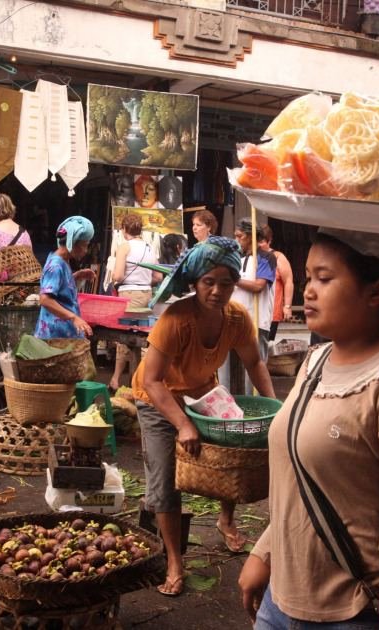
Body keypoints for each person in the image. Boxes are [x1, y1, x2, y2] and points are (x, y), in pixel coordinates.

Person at [238, 228, 379, 628]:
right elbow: (297, 476)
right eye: (308, 277)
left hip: (353, 611)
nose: (309, 291)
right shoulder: (315, 361)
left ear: (376, 292)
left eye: (324, 278)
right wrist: (263, 554)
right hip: (279, 603)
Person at [133, 236, 275, 596]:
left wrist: (278, 410)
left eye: (225, 283)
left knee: (234, 451)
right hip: (157, 398)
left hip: (203, 395)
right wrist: (182, 425)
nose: (216, 290)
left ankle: (226, 521)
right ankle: (174, 562)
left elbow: (255, 362)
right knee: (165, 481)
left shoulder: (237, 318)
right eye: (208, 282)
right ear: (195, 283)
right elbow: (151, 380)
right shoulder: (176, 319)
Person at [220, 219, 276, 394]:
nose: (237, 240)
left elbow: (259, 286)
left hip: (256, 320)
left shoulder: (266, 257)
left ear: (251, 236)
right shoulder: (238, 258)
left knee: (254, 369)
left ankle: (257, 407)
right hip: (231, 320)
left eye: (240, 236)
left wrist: (233, 279)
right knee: (223, 367)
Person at [109, 213, 162, 390]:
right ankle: (134, 379)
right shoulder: (149, 247)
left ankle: (118, 380)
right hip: (146, 294)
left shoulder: (124, 247)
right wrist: (144, 280)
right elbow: (158, 276)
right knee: (140, 337)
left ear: (124, 230)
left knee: (125, 337)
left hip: (129, 294)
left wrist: (118, 279)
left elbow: (117, 275)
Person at [35, 216, 96, 339]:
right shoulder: (56, 265)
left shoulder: (63, 261)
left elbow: (59, 288)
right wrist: (73, 317)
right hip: (54, 338)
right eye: (85, 245)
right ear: (73, 243)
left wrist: (76, 276)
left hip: (64, 335)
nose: (86, 251)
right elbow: (45, 299)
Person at [259, 225, 295, 324]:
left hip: (272, 311)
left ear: (269, 241)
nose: (258, 245)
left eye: (261, 242)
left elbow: (288, 281)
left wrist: (287, 306)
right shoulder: (250, 256)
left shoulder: (278, 257)